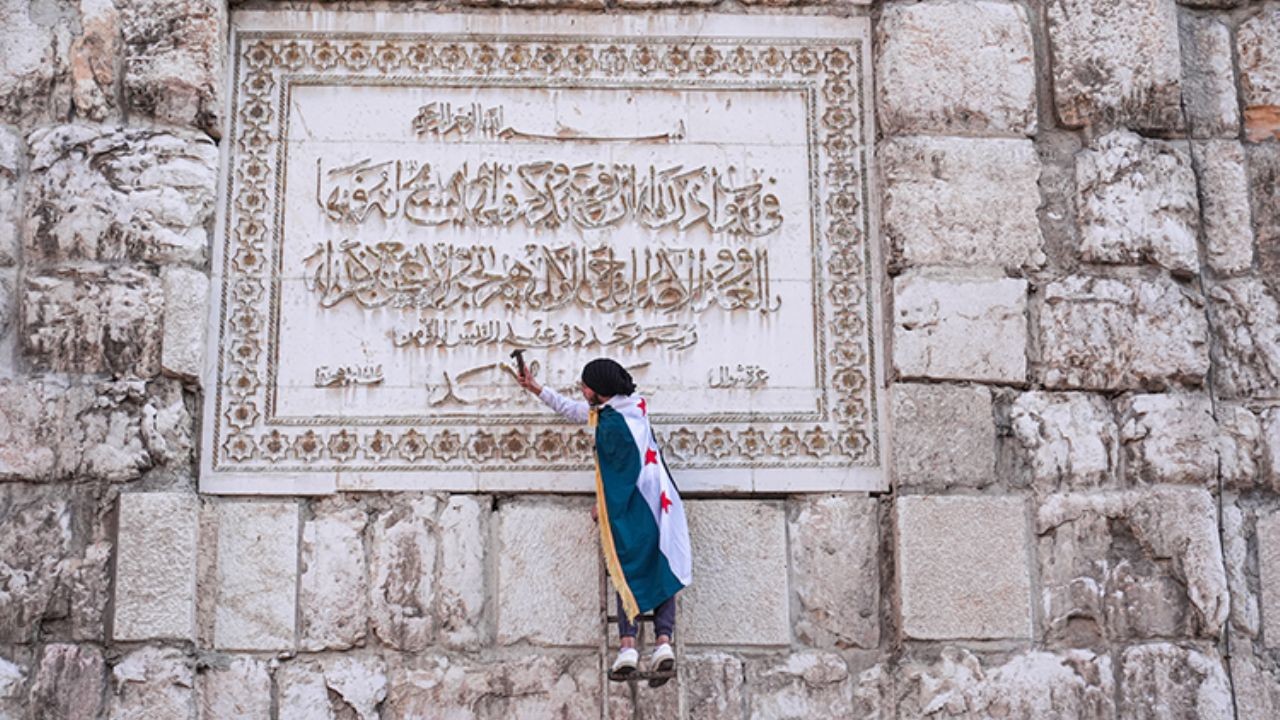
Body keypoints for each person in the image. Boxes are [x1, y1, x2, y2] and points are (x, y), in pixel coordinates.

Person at [516, 358, 692, 683]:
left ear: (599, 390)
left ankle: (628, 647)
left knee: (624, 567)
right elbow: (575, 411)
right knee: (661, 563)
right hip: (660, 501)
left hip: (633, 505)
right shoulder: (632, 407)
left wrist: (603, 506)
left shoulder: (612, 426)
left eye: (585, 387)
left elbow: (619, 474)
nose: (582, 391)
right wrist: (536, 388)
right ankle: (663, 642)